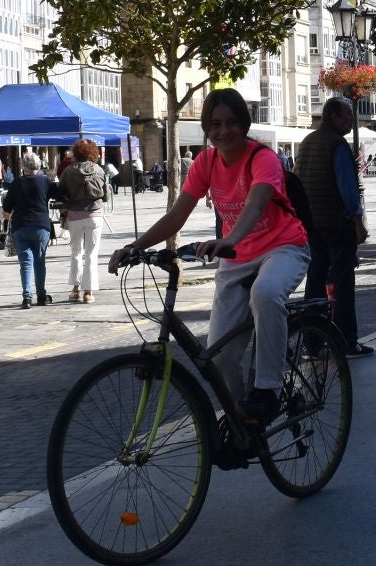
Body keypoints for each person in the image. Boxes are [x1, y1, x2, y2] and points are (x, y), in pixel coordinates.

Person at [110, 89, 311, 428]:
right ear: (206, 127)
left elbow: (256, 203)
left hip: (283, 247)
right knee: (219, 356)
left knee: (266, 294)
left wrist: (229, 238)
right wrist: (135, 246)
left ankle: (268, 390)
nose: (224, 131)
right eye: (215, 124)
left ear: (245, 124)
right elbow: (177, 216)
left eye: (232, 123)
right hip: (237, 257)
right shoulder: (206, 162)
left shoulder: (261, 158)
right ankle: (243, 419)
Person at [297, 98, 373, 357]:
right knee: (342, 282)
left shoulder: (307, 142)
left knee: (314, 281)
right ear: (332, 117)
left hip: (310, 223)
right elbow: (348, 190)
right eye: (346, 116)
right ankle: (347, 342)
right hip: (335, 223)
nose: (350, 121)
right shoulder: (337, 145)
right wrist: (357, 223)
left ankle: (313, 343)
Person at [59, 139, 110, 303]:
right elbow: (106, 195)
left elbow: (61, 193)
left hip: (75, 214)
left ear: (76, 152)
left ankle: (75, 290)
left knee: (76, 252)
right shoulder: (99, 170)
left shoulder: (68, 170)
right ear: (92, 152)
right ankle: (88, 292)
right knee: (91, 254)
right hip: (94, 214)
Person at [2, 152, 54, 308]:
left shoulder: (16, 183)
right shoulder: (45, 181)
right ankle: (42, 295)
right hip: (41, 226)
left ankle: (27, 298)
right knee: (40, 261)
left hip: (21, 226)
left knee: (25, 263)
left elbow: (6, 208)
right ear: (37, 166)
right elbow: (60, 194)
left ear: (23, 167)